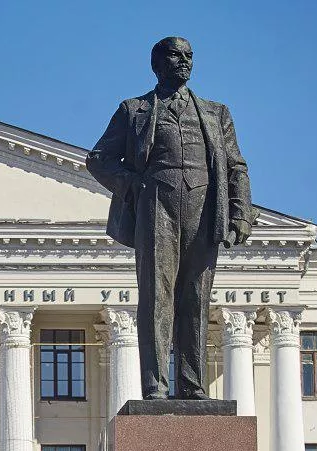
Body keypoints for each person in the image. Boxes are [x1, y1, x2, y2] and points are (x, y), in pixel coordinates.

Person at [87, 36, 252, 401]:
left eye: (189, 56)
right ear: (157, 64)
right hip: (156, 206)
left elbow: (236, 166)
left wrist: (240, 214)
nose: (185, 61)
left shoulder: (216, 113)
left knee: (196, 297)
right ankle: (156, 385)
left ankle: (192, 385)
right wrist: (133, 184)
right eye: (176, 55)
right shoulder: (134, 109)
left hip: (203, 209)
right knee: (156, 296)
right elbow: (98, 159)